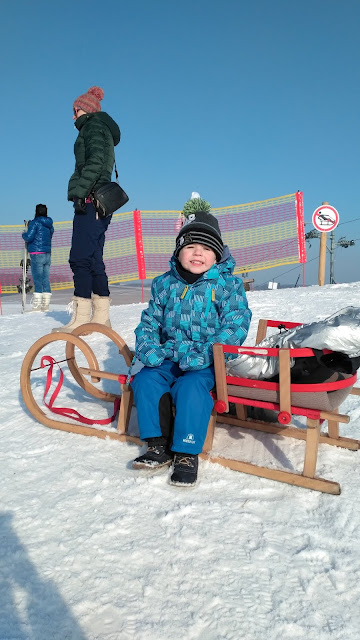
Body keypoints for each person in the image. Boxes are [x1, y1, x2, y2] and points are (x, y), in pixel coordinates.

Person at [130, 194, 252, 487]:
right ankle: (157, 444)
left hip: (205, 360)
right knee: (146, 380)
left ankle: (186, 452)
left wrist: (208, 353)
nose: (198, 254)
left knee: (191, 387)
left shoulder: (227, 285)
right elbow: (150, 321)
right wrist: (147, 347)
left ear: (217, 255)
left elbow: (236, 324)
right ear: (179, 251)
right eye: (191, 247)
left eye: (206, 248)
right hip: (169, 355)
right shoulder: (164, 284)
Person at [52, 86, 121, 333]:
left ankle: (81, 318)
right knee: (93, 258)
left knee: (80, 258)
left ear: (86, 110)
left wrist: (80, 193)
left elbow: (93, 163)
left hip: (91, 199)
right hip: (100, 201)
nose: (73, 116)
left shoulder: (92, 127)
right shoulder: (101, 128)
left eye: (75, 110)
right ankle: (101, 318)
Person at [22, 204, 54, 312]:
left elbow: (29, 237)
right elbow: (50, 234)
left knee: (37, 279)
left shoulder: (35, 223)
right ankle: (46, 305)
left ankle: (36, 305)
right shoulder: (49, 224)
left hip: (36, 253)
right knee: (45, 279)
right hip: (47, 253)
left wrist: (24, 233)